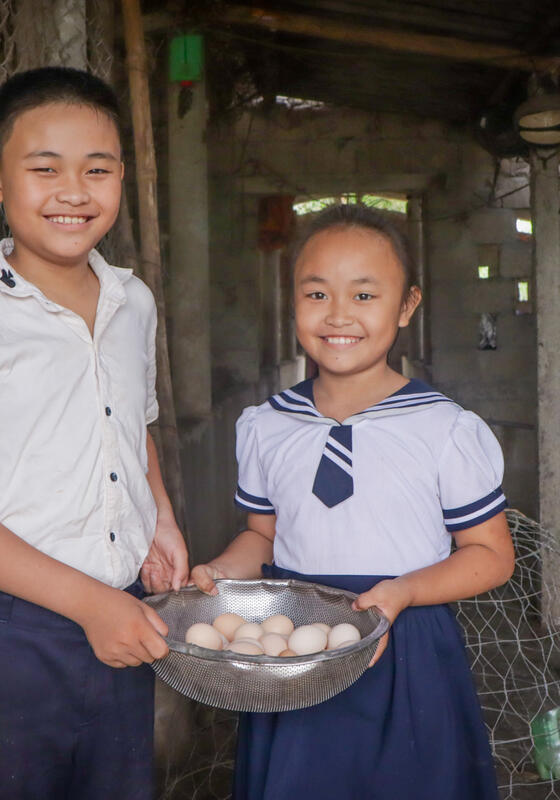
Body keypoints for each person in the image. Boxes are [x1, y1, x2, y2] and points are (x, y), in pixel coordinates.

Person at [0, 66, 188, 800]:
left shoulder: (133, 302)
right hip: (5, 631)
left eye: (97, 169)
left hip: (120, 611)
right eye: (43, 168)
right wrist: (91, 605)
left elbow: (128, 423)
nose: (73, 192)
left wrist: (162, 521)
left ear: (121, 175)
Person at [190, 203, 514, 800]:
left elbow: (491, 555)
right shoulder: (267, 425)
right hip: (294, 645)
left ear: (408, 306)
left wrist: (404, 592)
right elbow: (261, 536)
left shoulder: (443, 429)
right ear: (292, 301)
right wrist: (220, 572)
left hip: (405, 649)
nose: (338, 315)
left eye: (364, 296)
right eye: (317, 294)